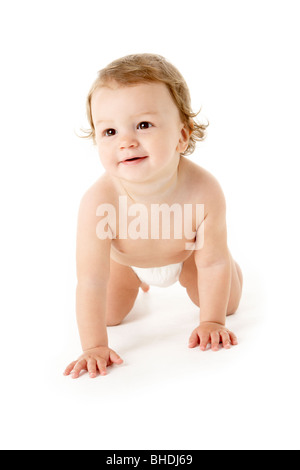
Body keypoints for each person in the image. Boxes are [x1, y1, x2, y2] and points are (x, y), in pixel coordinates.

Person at [64, 54, 243, 379]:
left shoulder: (204, 190)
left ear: (182, 135)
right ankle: (136, 283)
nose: (126, 141)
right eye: (109, 131)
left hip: (188, 256)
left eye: (143, 125)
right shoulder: (98, 202)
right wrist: (94, 346)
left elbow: (211, 264)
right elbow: (91, 279)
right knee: (109, 317)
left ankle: (231, 271)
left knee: (227, 303)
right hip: (125, 265)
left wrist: (212, 321)